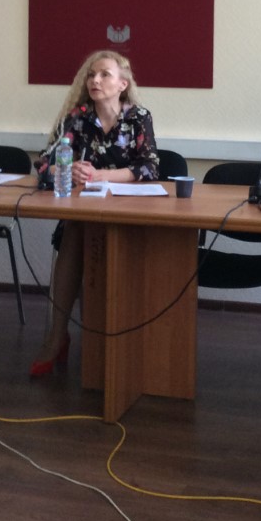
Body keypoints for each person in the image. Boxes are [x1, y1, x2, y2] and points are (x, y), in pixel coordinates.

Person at [30, 49, 159, 378]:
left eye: (104, 75)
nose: (95, 80)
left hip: (128, 212)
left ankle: (110, 344)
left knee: (87, 236)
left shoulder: (138, 118)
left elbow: (149, 167)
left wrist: (102, 175)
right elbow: (43, 165)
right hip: (84, 210)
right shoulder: (77, 118)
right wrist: (68, 169)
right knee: (74, 233)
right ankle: (57, 337)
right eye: (91, 75)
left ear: (122, 84)